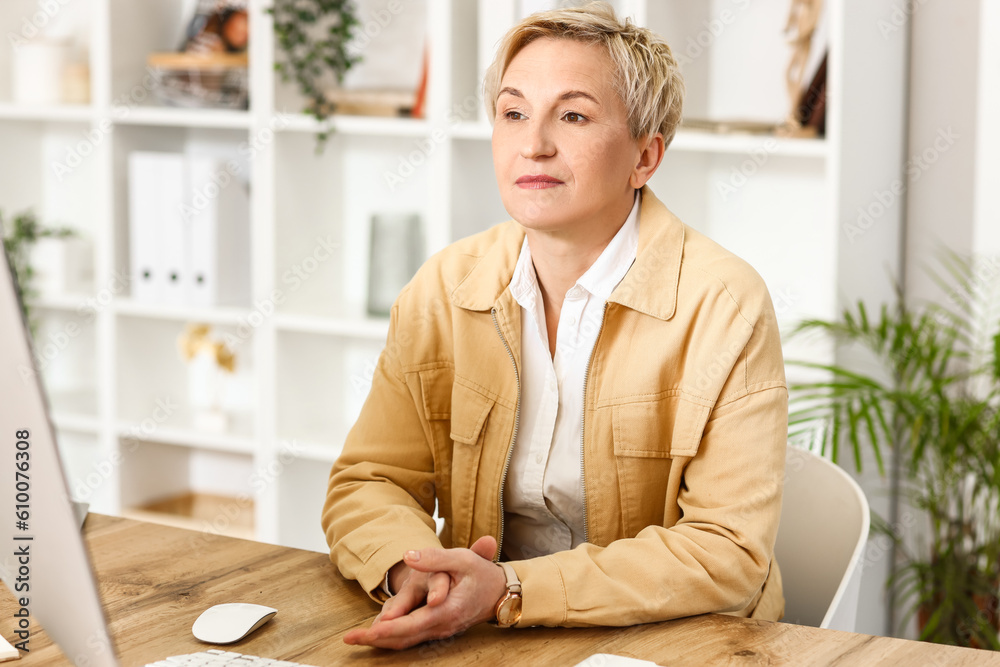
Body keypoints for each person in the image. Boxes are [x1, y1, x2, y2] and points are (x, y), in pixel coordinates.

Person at [322, 2, 787, 650]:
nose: (533, 143)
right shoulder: (444, 288)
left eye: (572, 115)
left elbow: (727, 551)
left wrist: (512, 588)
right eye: (513, 113)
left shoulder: (724, 306)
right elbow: (369, 479)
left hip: (671, 642)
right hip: (486, 637)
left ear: (645, 156)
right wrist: (416, 569)